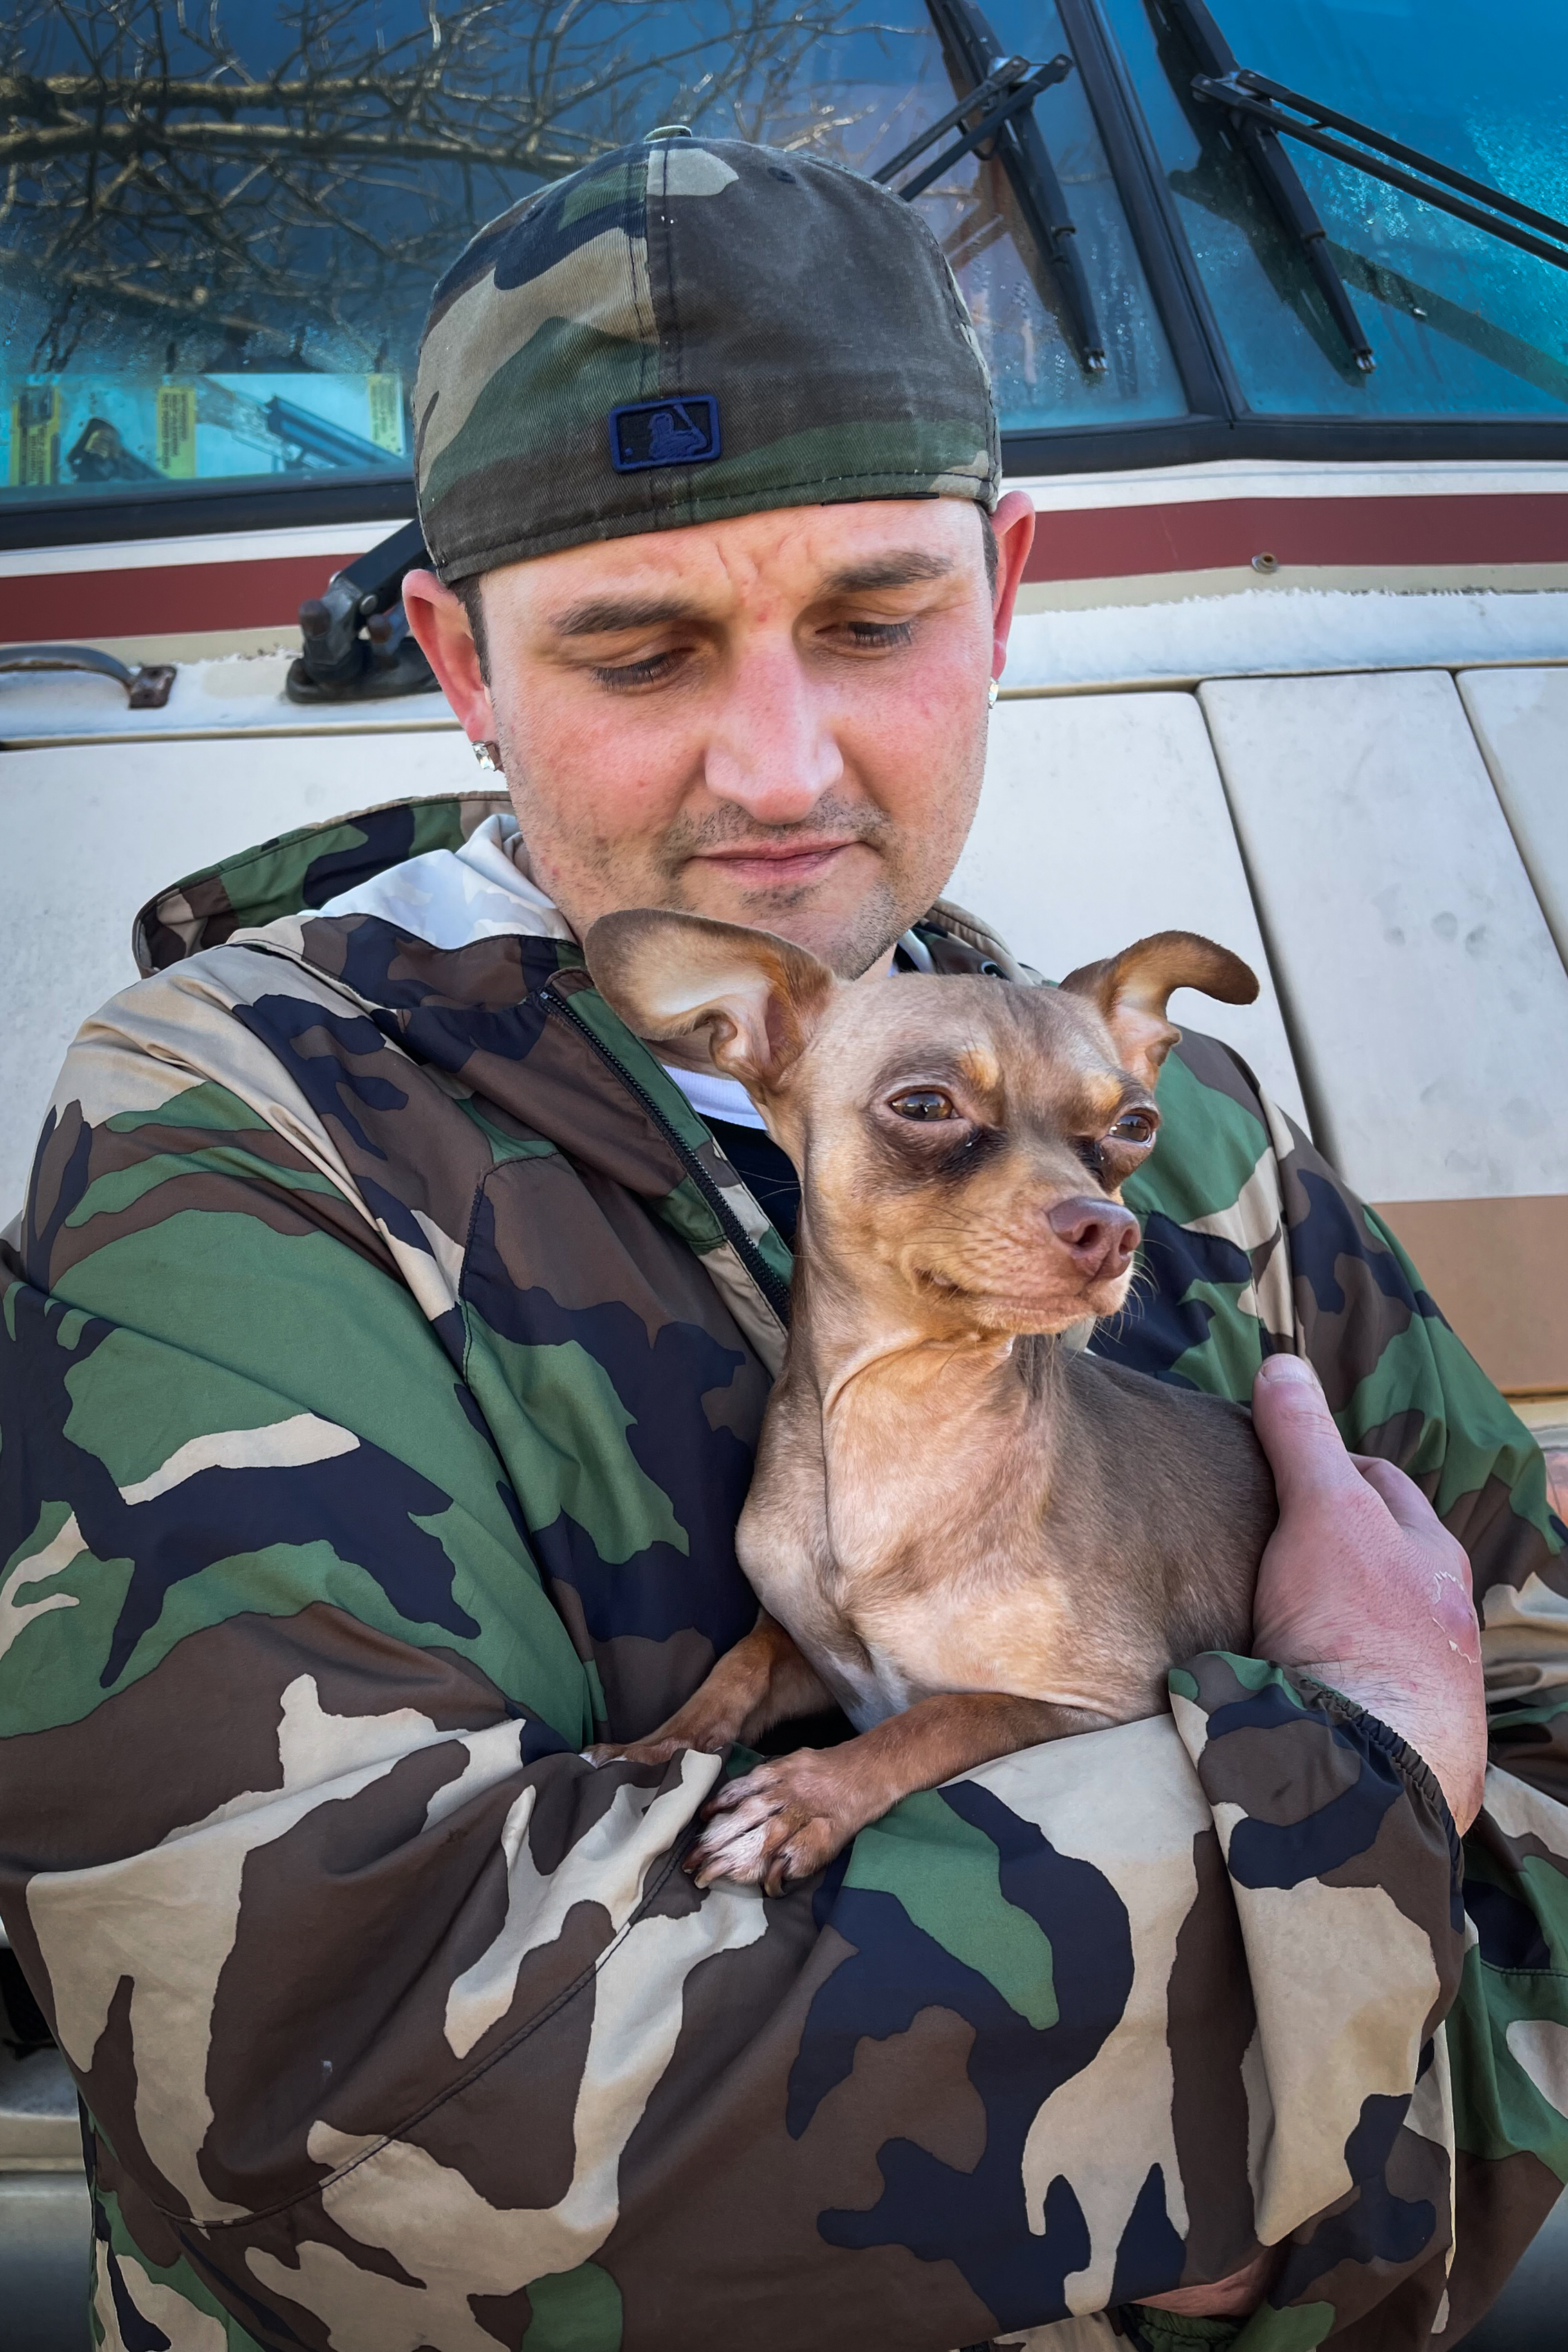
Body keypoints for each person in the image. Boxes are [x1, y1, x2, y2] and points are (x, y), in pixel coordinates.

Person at [1, 133, 1563, 2352]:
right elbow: (333, 2116)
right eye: (637, 647)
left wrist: (1340, 2209)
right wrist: (1364, 1794)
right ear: (454, 655)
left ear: (1004, 592)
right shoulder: (248, 1147)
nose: (777, 764)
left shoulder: (1181, 1135)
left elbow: (1552, 1724)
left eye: (872, 621)